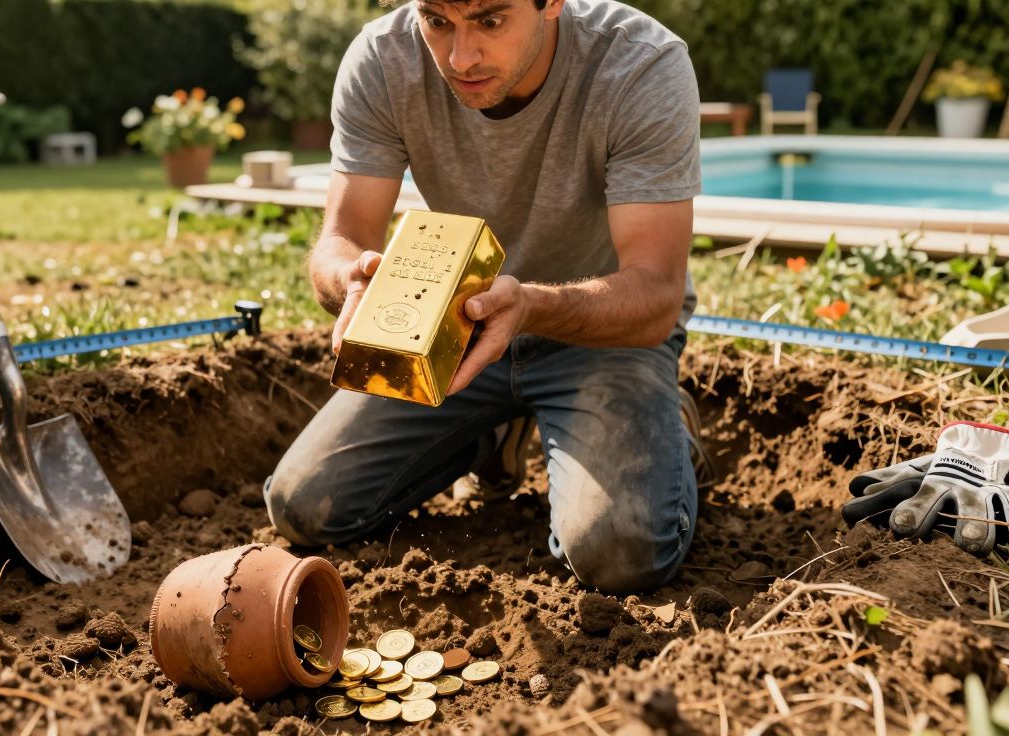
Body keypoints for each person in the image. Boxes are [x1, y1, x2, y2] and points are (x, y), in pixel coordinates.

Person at [264, 0, 704, 593]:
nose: (458, 56)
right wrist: (350, 279)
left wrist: (530, 306)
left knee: (619, 554)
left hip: (603, 333)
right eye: (437, 20)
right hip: (454, 327)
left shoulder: (639, 64)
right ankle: (492, 435)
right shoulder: (383, 57)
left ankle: (666, 425)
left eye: (490, 20)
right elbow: (340, 239)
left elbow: (655, 294)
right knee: (303, 507)